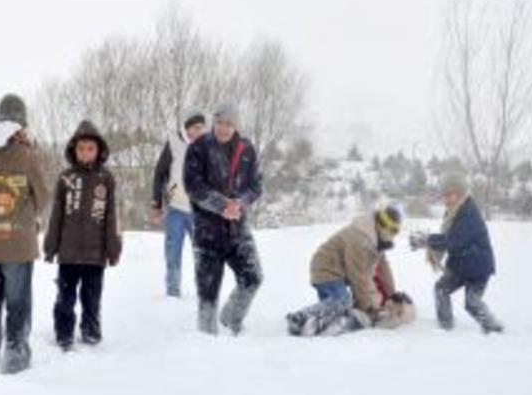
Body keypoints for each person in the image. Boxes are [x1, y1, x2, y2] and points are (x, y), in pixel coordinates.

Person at [0, 94, 49, 374]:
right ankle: (15, 349)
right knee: (18, 299)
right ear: (21, 124)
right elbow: (43, 196)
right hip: (18, 243)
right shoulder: (27, 156)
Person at [183, 103, 263, 335]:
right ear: (213, 122)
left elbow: (256, 187)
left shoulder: (247, 149)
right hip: (207, 232)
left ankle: (230, 318)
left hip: (238, 230)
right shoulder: (199, 147)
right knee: (208, 293)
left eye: (229, 123)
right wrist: (222, 206)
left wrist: (240, 203)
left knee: (253, 278)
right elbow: (194, 187)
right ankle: (207, 340)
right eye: (219, 122)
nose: (223, 128)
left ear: (235, 125)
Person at [44, 120, 122, 351]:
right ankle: (64, 334)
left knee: (91, 298)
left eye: (90, 149)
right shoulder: (65, 178)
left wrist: (112, 248)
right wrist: (51, 246)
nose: (85, 153)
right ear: (73, 150)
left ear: (98, 150)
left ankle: (91, 332)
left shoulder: (106, 179)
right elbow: (56, 214)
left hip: (95, 255)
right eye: (81, 148)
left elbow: (111, 217)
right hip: (68, 254)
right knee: (65, 299)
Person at [286, 205, 415, 336]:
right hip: (326, 268)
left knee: (343, 308)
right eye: (392, 231)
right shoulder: (359, 239)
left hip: (340, 273)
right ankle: (300, 318)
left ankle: (325, 321)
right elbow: (358, 277)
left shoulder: (375, 240)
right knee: (343, 301)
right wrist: (367, 310)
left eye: (397, 231)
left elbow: (383, 270)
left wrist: (392, 295)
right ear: (382, 225)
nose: (394, 236)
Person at [409, 172, 504, 333]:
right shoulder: (453, 211)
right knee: (441, 289)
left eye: (450, 195)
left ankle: (494, 328)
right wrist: (427, 241)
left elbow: (454, 241)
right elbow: (448, 237)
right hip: (460, 265)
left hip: (478, 268)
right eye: (444, 195)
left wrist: (427, 240)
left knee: (471, 302)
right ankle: (446, 326)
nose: (446, 199)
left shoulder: (469, 213)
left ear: (460, 193)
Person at [150, 108, 207, 298]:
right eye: (196, 127)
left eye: (202, 128)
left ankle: (205, 293)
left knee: (203, 255)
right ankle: (172, 294)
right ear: (187, 128)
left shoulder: (207, 146)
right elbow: (159, 173)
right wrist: (156, 204)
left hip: (199, 212)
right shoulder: (173, 142)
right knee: (173, 254)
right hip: (175, 209)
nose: (199, 131)